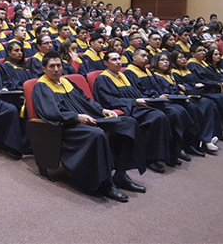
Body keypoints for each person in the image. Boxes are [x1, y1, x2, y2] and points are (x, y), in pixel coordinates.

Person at [33, 52, 145, 201]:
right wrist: (76, 117)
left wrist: (102, 110)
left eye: (58, 65)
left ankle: (120, 174)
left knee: (128, 123)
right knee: (97, 134)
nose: (56, 69)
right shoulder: (41, 86)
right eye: (51, 66)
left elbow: (86, 100)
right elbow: (50, 112)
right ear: (44, 69)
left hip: (88, 118)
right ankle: (106, 184)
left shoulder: (66, 82)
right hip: (66, 127)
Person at [93, 51, 177, 173]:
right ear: (106, 63)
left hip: (135, 106)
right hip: (125, 109)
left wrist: (149, 99)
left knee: (167, 112)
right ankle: (150, 158)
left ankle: (167, 152)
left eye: (119, 59)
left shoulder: (122, 76)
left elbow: (136, 93)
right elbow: (108, 100)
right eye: (114, 59)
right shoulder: (103, 78)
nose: (118, 62)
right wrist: (134, 102)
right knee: (158, 117)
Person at [123, 48, 199, 159]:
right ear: (134, 57)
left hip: (158, 100)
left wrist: (161, 95)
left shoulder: (147, 70)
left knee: (182, 109)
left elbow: (157, 87)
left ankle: (182, 145)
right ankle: (173, 149)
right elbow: (138, 91)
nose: (146, 59)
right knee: (175, 112)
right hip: (148, 102)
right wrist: (156, 96)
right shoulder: (130, 72)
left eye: (147, 57)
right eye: (143, 56)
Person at [151, 52, 220, 155]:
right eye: (162, 60)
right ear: (156, 62)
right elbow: (166, 91)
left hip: (179, 98)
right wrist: (178, 88)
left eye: (167, 60)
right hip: (170, 101)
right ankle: (191, 143)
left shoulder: (168, 75)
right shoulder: (155, 75)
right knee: (191, 108)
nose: (166, 62)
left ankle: (203, 139)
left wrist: (179, 89)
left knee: (207, 103)